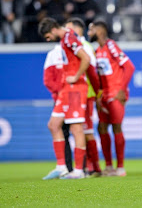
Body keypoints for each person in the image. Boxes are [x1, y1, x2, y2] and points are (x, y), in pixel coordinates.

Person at [38, 17, 90, 179]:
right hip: (67, 90)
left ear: (53, 30)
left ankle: (79, 171)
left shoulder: (69, 37)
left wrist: (76, 76)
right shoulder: (64, 40)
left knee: (76, 128)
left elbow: (86, 58)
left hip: (76, 88)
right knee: (53, 125)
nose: (49, 40)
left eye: (48, 36)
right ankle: (61, 167)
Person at [90, 20, 135, 176]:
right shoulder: (98, 51)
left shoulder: (111, 46)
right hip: (104, 95)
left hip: (116, 93)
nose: (89, 32)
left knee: (116, 127)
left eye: (92, 29)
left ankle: (120, 167)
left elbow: (129, 66)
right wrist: (99, 95)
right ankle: (109, 166)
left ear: (100, 31)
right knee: (101, 127)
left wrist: (122, 90)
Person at [65, 17, 102, 177]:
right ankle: (88, 167)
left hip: (85, 94)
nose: (66, 32)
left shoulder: (84, 47)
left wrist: (97, 92)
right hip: (78, 94)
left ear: (77, 29)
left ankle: (92, 167)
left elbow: (92, 71)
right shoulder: (73, 45)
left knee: (85, 131)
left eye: (69, 28)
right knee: (82, 130)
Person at [43, 44, 73, 173]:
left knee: (76, 131)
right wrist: (62, 90)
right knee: (64, 130)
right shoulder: (54, 54)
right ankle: (68, 167)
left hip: (72, 96)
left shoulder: (76, 49)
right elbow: (48, 80)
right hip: (64, 97)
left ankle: (76, 168)